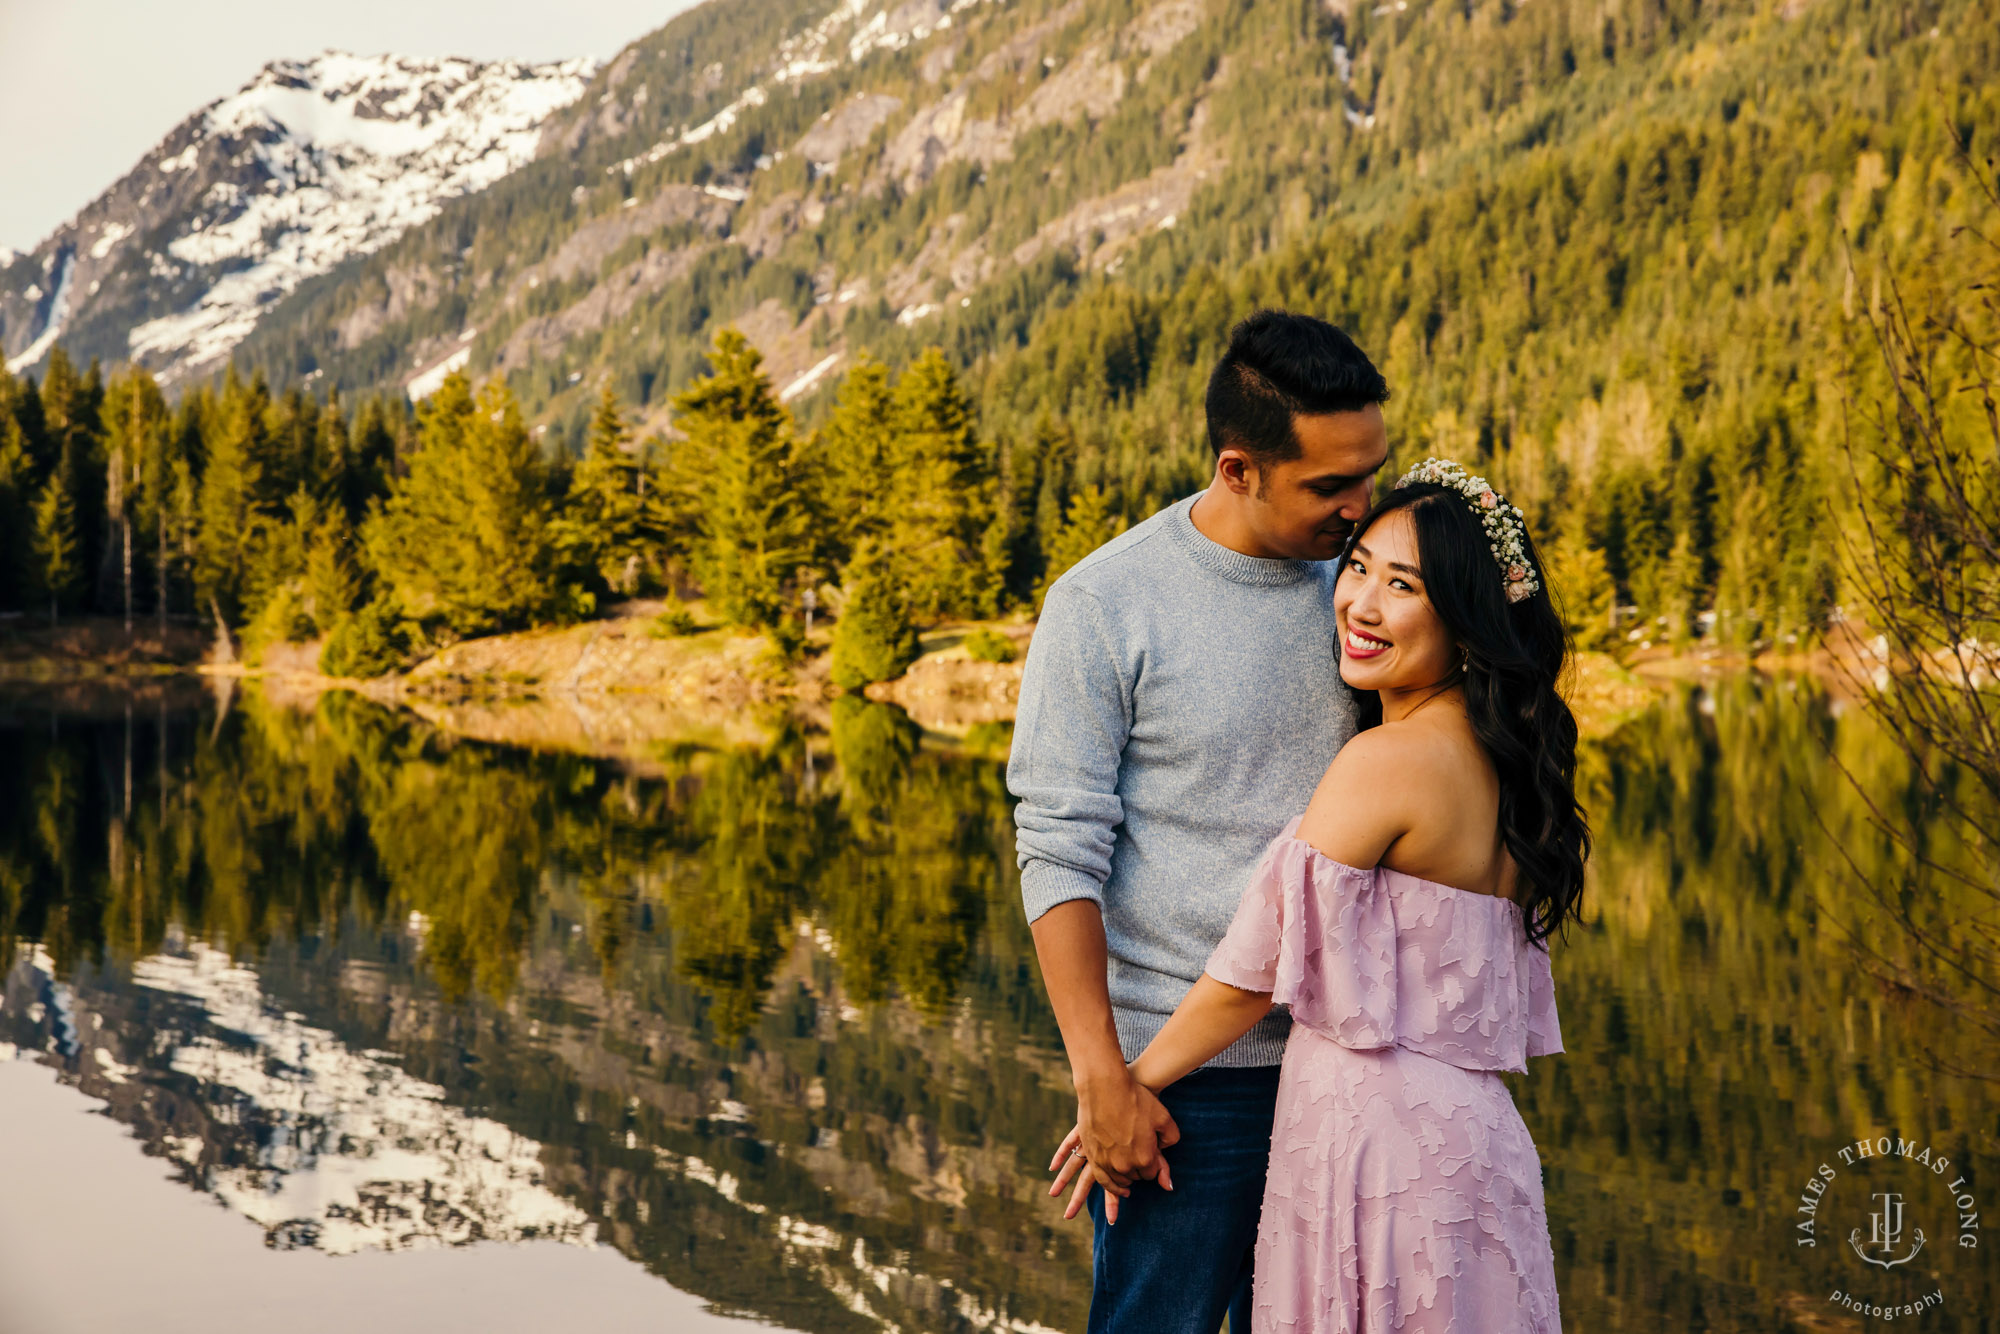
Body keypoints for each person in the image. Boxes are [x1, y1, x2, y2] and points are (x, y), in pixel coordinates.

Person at [1049, 457, 1588, 1332]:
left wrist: (1123, 1086)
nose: (1361, 604)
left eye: (1403, 585)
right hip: (1476, 1147)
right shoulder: (1508, 764)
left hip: (1374, 1145)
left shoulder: (1385, 762)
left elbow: (1256, 968)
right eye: (1360, 567)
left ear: (1465, 618)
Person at [1008, 309, 1391, 1333]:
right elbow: (1057, 850)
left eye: (1370, 474)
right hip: (1183, 1088)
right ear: (1237, 467)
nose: (1360, 508)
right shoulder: (1102, 604)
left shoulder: (1367, 595)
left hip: (1350, 1064)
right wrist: (1105, 1081)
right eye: (1328, 485)